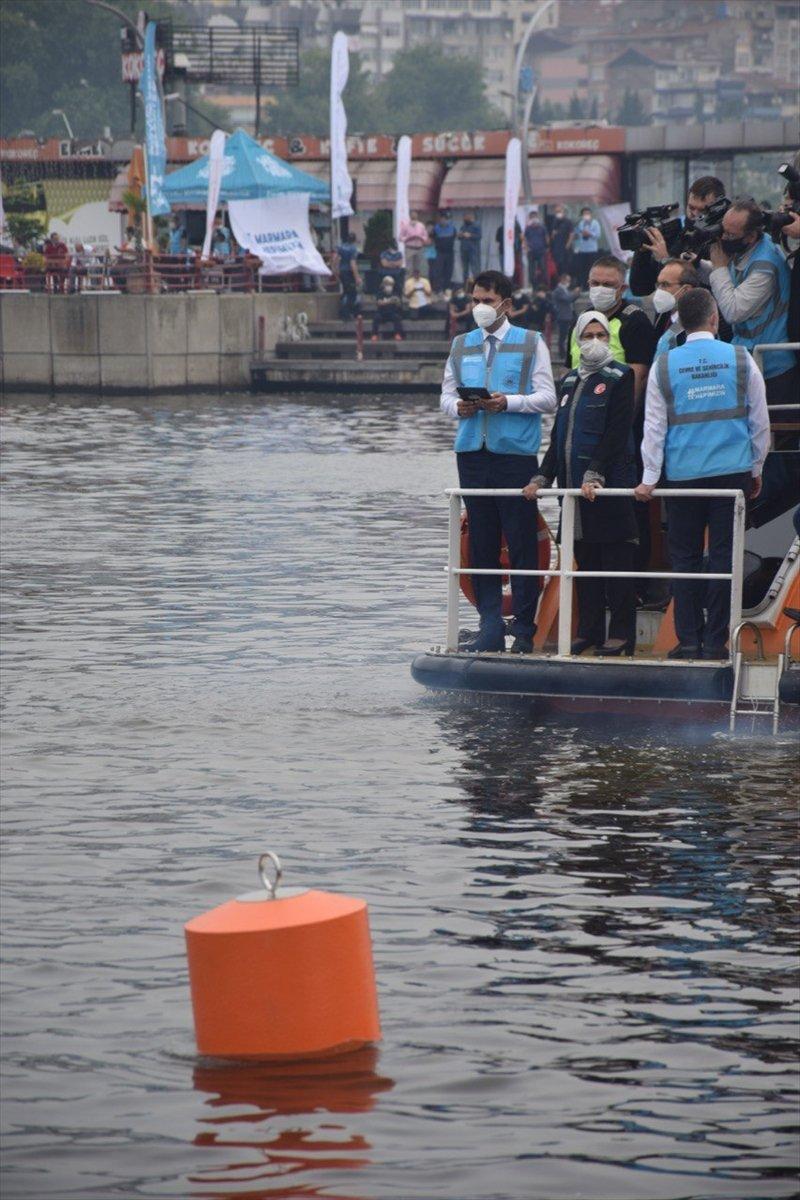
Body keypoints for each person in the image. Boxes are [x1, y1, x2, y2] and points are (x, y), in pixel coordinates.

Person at [635, 288, 771, 659]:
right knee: (726, 558)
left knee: (685, 559)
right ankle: (716, 642)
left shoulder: (665, 364)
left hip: (683, 475)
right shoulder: (742, 359)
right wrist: (756, 468)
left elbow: (654, 428)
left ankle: (689, 641)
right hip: (733, 474)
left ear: (680, 321)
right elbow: (760, 423)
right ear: (715, 319)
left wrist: (649, 478)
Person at [439, 269, 557, 653]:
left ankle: (523, 628)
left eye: (487, 301)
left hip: (514, 456)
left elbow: (547, 397)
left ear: (506, 304)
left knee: (521, 541)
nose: (479, 307)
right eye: (475, 300)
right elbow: (443, 397)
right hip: (473, 454)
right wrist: (458, 407)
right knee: (481, 543)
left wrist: (508, 401)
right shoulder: (461, 344)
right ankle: (489, 625)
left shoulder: (530, 342)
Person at [523, 310, 638, 656]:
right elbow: (560, 435)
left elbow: (618, 430)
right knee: (585, 563)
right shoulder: (571, 380)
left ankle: (621, 634)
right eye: (588, 336)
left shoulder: (621, 376)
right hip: (574, 493)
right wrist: (543, 475)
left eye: (601, 336)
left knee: (616, 562)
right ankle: (589, 629)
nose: (594, 343)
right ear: (577, 339)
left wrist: (597, 472)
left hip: (607, 487)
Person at [708, 197, 796, 408]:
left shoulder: (766, 263)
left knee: (771, 435)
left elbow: (733, 310)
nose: (723, 238)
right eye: (723, 230)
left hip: (773, 366)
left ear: (750, 236)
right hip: (750, 360)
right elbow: (731, 282)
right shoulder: (746, 250)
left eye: (730, 235)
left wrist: (718, 268)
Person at [630, 175, 725, 297]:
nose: (694, 214)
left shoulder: (719, 243)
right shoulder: (675, 235)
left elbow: (701, 294)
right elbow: (640, 289)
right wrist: (642, 251)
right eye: (691, 208)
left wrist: (665, 261)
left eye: (702, 211)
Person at [652, 259, 701, 356]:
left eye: (665, 285)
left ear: (686, 290)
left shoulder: (698, 323)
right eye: (658, 284)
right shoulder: (662, 315)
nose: (659, 290)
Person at [550, 272, 580, 361]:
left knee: (572, 335)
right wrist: (574, 293)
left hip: (570, 315)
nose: (569, 282)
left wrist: (576, 294)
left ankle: (569, 352)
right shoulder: (558, 290)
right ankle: (562, 355)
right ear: (563, 280)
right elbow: (567, 299)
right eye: (568, 280)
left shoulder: (565, 290)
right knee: (562, 337)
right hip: (562, 316)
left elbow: (571, 299)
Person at [334, 231, 361, 321]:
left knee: (345, 292)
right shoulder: (353, 249)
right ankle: (346, 314)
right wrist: (357, 277)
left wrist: (336, 271)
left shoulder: (341, 247)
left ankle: (342, 312)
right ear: (354, 240)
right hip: (349, 273)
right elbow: (352, 263)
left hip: (342, 272)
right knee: (352, 294)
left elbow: (335, 259)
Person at [573, 206, 601, 289]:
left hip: (592, 249)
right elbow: (577, 235)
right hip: (582, 249)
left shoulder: (595, 223)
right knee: (582, 269)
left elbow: (598, 235)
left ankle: (593, 285)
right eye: (584, 214)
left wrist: (589, 234)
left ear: (591, 214)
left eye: (588, 213)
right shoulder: (580, 223)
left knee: (591, 268)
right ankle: (584, 286)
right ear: (582, 215)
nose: (586, 215)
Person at [371, 275, 404, 341]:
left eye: (391, 284)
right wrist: (389, 301)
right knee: (376, 318)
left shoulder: (395, 293)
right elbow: (379, 303)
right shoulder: (380, 294)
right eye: (387, 284)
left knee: (397, 317)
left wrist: (397, 302)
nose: (389, 286)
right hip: (382, 313)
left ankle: (398, 334)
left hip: (391, 313)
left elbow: (399, 304)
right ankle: (374, 334)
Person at [398, 209, 429, 276]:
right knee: (409, 268)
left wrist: (421, 238)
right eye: (412, 214)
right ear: (410, 216)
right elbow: (400, 237)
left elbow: (425, 237)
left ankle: (418, 284)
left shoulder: (421, 225)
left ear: (417, 216)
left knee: (419, 268)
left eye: (415, 214)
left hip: (419, 249)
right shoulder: (405, 226)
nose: (413, 215)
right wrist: (408, 238)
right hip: (409, 248)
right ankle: (408, 284)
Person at [433, 209, 457, 293]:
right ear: (440, 219)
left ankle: (446, 288)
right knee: (438, 271)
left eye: (445, 219)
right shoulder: (436, 228)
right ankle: (438, 289)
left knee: (448, 271)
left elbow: (453, 238)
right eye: (442, 219)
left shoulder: (452, 228)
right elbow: (433, 239)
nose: (443, 220)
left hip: (450, 253)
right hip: (439, 253)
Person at [523, 210, 548, 288]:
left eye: (535, 217)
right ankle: (534, 286)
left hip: (541, 251)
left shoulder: (542, 227)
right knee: (531, 271)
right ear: (530, 218)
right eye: (532, 217)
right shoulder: (528, 228)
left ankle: (544, 286)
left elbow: (547, 238)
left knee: (543, 268)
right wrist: (526, 247)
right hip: (531, 252)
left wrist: (547, 247)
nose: (534, 219)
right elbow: (524, 238)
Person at [548, 205, 574, 276]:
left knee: (566, 265)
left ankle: (567, 280)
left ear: (563, 212)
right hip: (557, 247)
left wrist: (568, 244)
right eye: (556, 212)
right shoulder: (554, 221)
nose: (558, 213)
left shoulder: (568, 221)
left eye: (559, 211)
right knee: (558, 264)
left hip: (565, 246)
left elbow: (571, 234)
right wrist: (553, 234)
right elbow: (552, 235)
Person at [457, 212, 482, 282]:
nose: (464, 218)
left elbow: (479, 236)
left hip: (473, 250)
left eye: (466, 217)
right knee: (465, 269)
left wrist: (470, 235)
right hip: (464, 250)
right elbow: (459, 236)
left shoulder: (476, 225)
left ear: (471, 217)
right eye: (464, 217)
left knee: (475, 269)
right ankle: (465, 286)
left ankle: (477, 284)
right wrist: (460, 235)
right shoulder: (463, 226)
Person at [423, 222, 438, 289]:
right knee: (426, 270)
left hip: (434, 254)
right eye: (428, 227)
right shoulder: (424, 235)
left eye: (431, 228)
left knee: (433, 270)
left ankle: (433, 285)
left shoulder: (435, 235)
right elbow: (425, 243)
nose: (430, 229)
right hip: (426, 254)